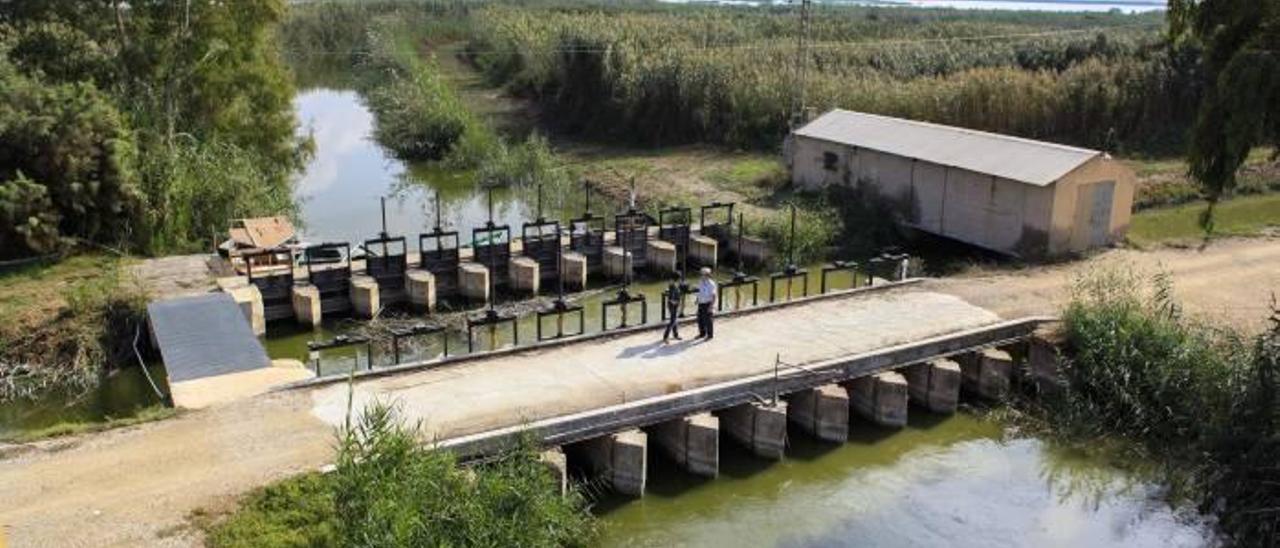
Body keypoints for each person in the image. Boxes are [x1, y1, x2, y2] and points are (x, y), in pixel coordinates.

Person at [696, 267, 717, 340]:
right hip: (701, 303)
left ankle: (710, 335)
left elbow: (714, 296)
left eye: (703, 274)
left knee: (708, 320)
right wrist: (697, 299)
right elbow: (699, 292)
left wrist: (711, 306)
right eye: (701, 274)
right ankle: (702, 333)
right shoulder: (700, 282)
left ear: (707, 275)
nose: (701, 275)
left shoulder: (711, 284)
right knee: (700, 319)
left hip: (708, 303)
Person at [661, 275, 683, 343]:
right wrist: (675, 302)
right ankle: (665, 337)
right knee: (672, 321)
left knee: (674, 320)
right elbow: (673, 297)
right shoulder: (674, 287)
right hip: (673, 305)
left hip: (673, 305)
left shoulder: (673, 286)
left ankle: (675, 334)